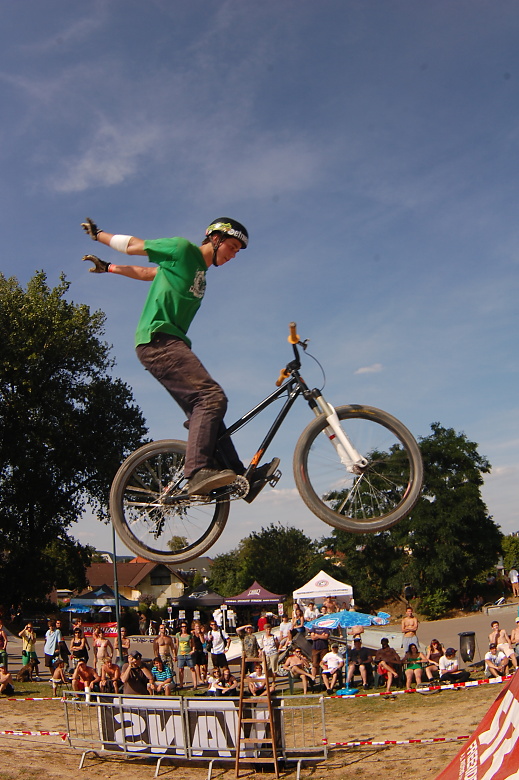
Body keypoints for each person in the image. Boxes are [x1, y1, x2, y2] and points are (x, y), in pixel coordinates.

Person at [81, 216, 278, 501]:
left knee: (209, 412)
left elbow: (147, 273)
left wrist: (109, 267)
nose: (234, 255)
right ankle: (197, 471)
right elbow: (135, 246)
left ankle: (238, 478)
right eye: (232, 247)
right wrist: (99, 235)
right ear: (216, 238)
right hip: (157, 340)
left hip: (169, 343)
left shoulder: (199, 273)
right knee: (211, 398)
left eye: (237, 252)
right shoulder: (182, 249)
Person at [175, 621, 197, 688]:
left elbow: (193, 644)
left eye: (185, 626)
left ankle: (195, 684)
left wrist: (193, 650)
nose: (184, 628)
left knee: (192, 668)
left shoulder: (190, 635)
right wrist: (175, 654)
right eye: (182, 627)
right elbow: (177, 645)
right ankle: (181, 684)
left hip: (188, 653)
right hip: (180, 654)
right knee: (181, 669)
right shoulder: (178, 635)